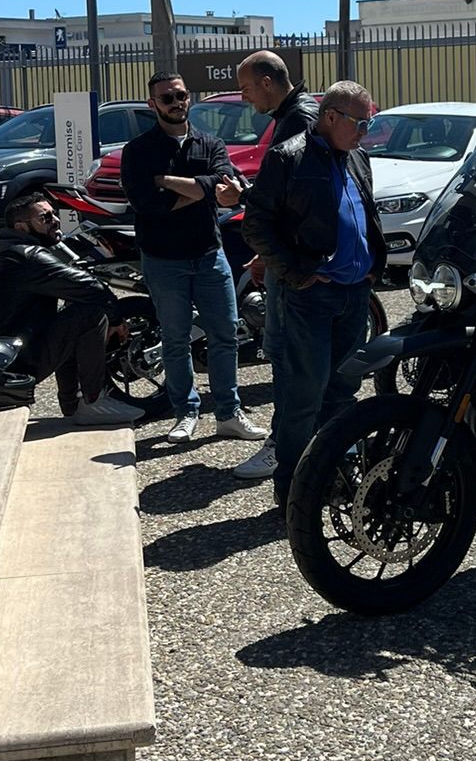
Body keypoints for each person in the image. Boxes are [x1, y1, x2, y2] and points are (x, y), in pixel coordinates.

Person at [241, 80, 384, 511]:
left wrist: (372, 267)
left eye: (369, 123)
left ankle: (334, 479)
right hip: (310, 297)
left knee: (343, 390)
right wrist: (298, 273)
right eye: (360, 123)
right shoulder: (288, 157)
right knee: (304, 397)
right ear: (330, 117)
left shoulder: (356, 155)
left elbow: (364, 212)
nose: (365, 132)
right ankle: (293, 493)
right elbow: (257, 225)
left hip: (354, 295)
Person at [119, 73, 264, 449]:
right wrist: (202, 190)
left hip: (209, 254)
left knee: (225, 334)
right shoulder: (138, 150)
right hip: (163, 258)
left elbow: (225, 186)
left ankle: (229, 414)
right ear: (153, 104)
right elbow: (146, 205)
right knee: (175, 339)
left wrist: (166, 181)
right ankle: (185, 412)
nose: (176, 102)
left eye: (181, 95)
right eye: (167, 98)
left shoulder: (210, 143)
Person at [0, 193, 141, 426]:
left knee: (73, 314)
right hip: (2, 367)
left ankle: (74, 404)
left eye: (54, 214)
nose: (55, 220)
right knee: (91, 313)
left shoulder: (10, 252)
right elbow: (92, 288)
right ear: (22, 227)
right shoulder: (28, 257)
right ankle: (92, 401)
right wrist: (116, 320)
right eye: (45, 218)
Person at [231, 51, 320, 482]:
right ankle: (300, 448)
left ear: (267, 82)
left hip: (295, 266)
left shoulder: (298, 119)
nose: (245, 98)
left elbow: (291, 201)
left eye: (247, 88)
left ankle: (285, 449)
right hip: (291, 260)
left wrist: (241, 197)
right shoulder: (299, 115)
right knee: (292, 358)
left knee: (288, 358)